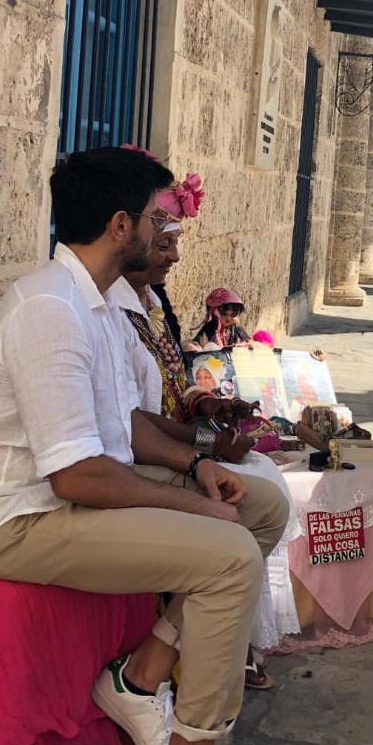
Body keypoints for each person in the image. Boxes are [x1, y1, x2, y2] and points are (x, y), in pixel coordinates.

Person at [0, 147, 294, 745]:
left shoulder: (99, 303)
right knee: (230, 554)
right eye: (154, 218)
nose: (162, 232)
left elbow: (124, 426)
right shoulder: (50, 310)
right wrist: (196, 509)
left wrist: (197, 465)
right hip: (21, 520)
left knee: (262, 508)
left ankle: (140, 678)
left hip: (74, 495)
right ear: (121, 225)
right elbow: (76, 475)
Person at [110, 187, 300, 685]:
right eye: (163, 242)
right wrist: (206, 448)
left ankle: (216, 638)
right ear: (123, 233)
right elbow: (130, 421)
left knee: (265, 482)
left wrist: (208, 404)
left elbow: (171, 380)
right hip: (140, 458)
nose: (174, 256)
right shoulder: (106, 312)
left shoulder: (150, 303)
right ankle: (197, 648)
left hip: (173, 442)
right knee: (248, 501)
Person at [187, 290, 251, 350]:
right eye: (224, 314)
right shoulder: (209, 331)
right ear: (215, 313)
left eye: (233, 314)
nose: (228, 318)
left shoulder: (238, 332)